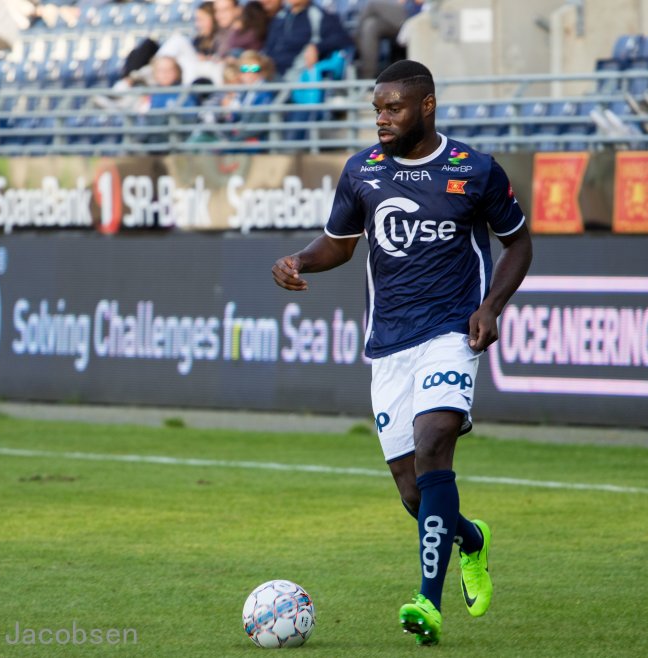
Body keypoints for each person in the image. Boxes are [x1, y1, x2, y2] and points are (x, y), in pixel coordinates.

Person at [270, 59, 532, 647]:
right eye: (377, 109)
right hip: (389, 344)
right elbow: (338, 244)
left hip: (450, 332)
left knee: (436, 440)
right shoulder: (362, 170)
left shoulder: (475, 170)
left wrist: (491, 307)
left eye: (393, 109)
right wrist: (300, 261)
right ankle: (472, 539)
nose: (382, 119)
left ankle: (427, 603)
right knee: (414, 491)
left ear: (427, 106)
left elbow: (518, 245)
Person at [262, 0, 353, 79]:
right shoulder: (280, 17)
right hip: (269, 73)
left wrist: (317, 47)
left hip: (295, 75)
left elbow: (343, 39)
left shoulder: (318, 15)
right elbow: (269, 48)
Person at [353, 0, 423, 78]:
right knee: (370, 25)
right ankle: (367, 79)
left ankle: (355, 41)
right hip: (402, 13)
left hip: (414, 13)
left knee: (372, 4)